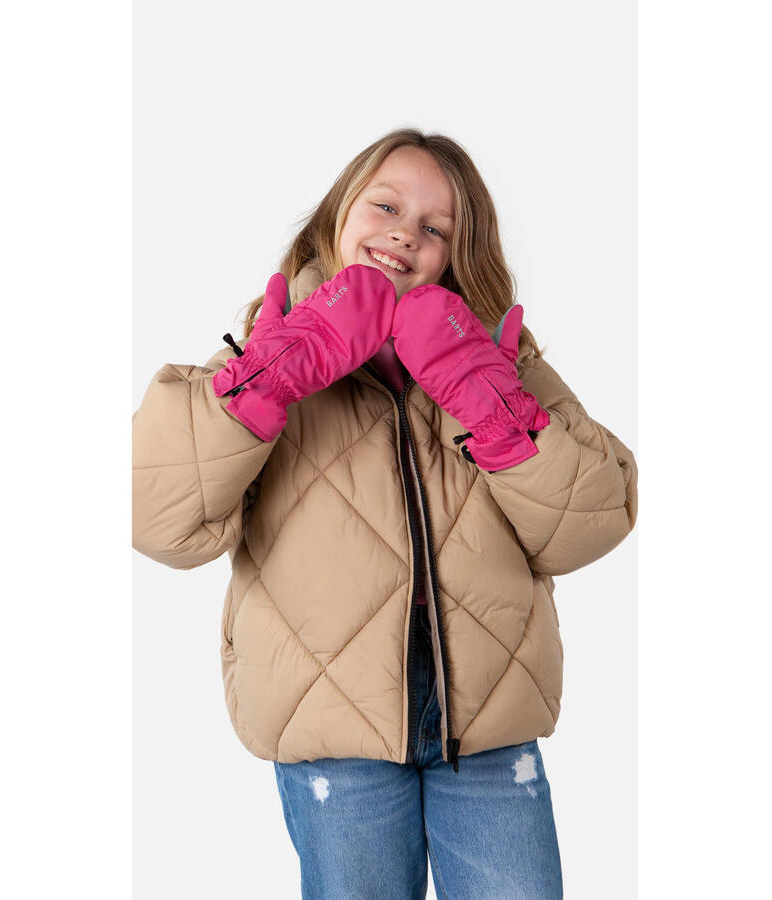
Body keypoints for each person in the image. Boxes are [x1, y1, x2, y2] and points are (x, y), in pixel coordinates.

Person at [132, 127, 638, 899]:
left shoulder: (502, 359)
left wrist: (490, 400)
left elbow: (590, 523)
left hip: (490, 725)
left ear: (457, 255)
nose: (406, 233)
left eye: (436, 227)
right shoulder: (267, 347)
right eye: (387, 206)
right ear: (339, 214)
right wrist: (267, 380)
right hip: (332, 728)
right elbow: (153, 516)